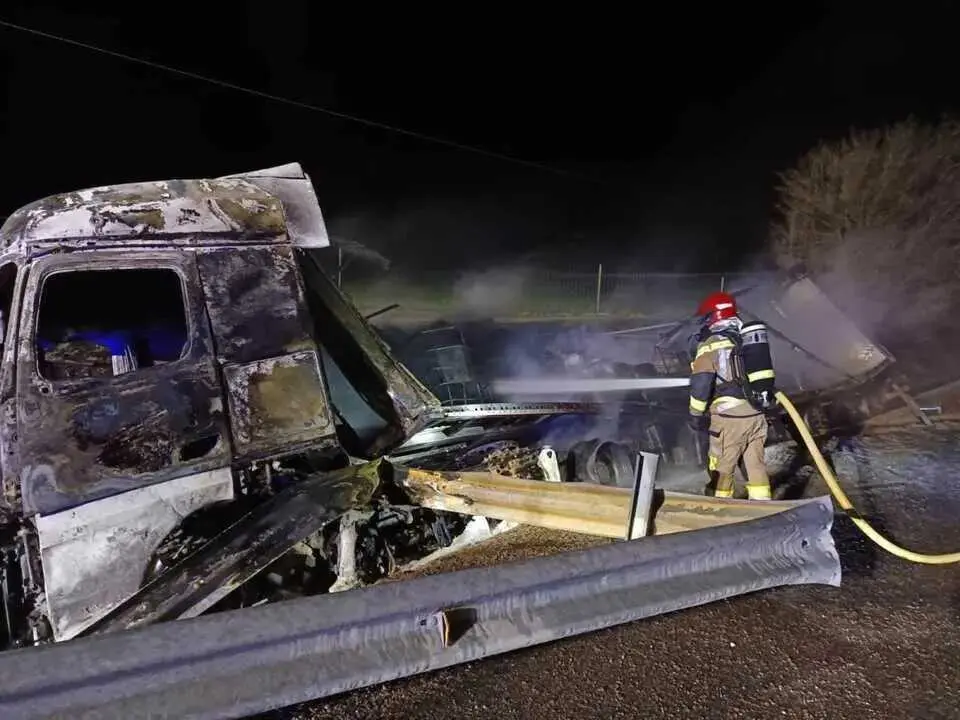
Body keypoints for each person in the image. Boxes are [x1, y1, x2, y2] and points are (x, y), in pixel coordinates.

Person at [687, 291, 772, 500]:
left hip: (729, 420)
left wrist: (695, 415)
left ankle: (720, 508)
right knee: (756, 466)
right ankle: (763, 510)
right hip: (756, 415)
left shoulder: (710, 345)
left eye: (706, 317)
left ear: (713, 317)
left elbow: (701, 384)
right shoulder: (746, 339)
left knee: (722, 468)